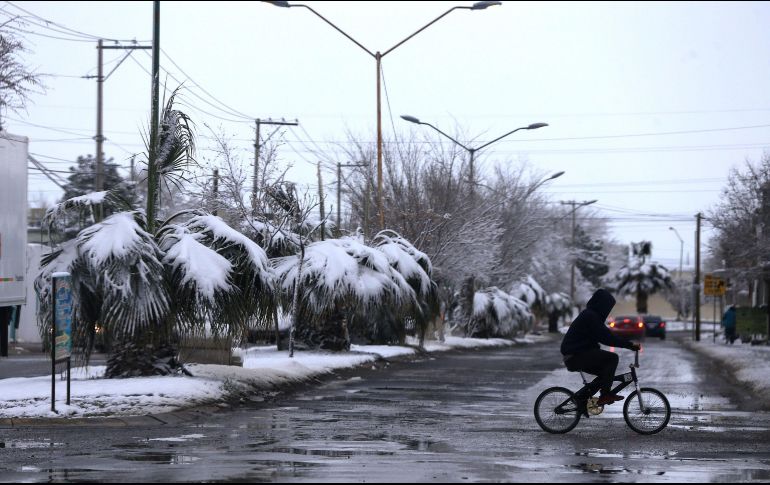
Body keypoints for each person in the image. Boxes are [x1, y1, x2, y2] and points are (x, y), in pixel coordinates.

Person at [560, 289, 641, 407]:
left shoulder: (592, 316)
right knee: (612, 358)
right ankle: (605, 394)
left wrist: (627, 344)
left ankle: (581, 399)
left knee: (605, 374)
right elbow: (606, 338)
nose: (607, 310)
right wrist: (629, 345)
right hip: (575, 355)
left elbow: (607, 335)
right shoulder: (590, 316)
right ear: (601, 305)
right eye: (607, 307)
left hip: (577, 354)